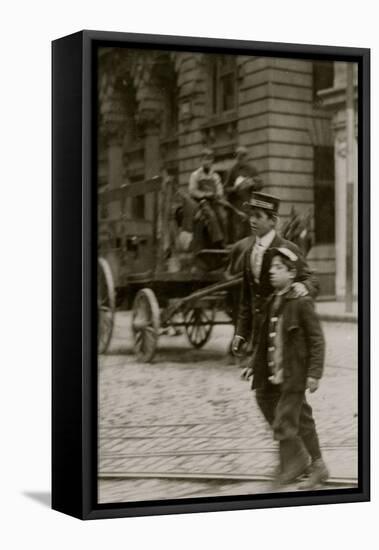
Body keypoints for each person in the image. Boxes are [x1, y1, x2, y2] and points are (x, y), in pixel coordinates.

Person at [247, 247, 329, 487]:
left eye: (278, 268)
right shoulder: (273, 301)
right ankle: (317, 465)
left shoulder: (301, 303)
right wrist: (254, 365)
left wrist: (314, 374)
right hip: (276, 373)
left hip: (295, 374)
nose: (272, 272)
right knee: (302, 421)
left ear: (292, 273)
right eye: (271, 267)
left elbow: (317, 340)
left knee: (284, 420)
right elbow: (264, 340)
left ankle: (290, 467)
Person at [188, 148, 228, 250]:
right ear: (201, 161)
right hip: (201, 202)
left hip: (214, 201)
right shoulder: (195, 175)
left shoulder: (215, 176)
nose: (207, 162)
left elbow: (220, 189)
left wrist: (218, 195)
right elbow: (192, 191)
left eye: (209, 159)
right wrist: (205, 194)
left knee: (223, 216)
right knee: (211, 215)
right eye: (205, 159)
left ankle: (225, 241)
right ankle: (217, 241)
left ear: (212, 161)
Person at [224, 146, 263, 241]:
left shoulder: (252, 169)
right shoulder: (232, 170)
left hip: (250, 204)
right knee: (239, 232)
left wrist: (252, 183)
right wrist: (235, 188)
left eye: (244, 156)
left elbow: (260, 184)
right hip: (237, 206)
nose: (241, 159)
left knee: (251, 229)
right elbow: (225, 189)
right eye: (239, 157)